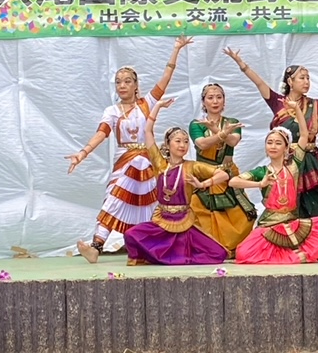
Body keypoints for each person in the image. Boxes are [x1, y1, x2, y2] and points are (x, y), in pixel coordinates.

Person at [224, 47, 318, 252]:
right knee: (291, 205)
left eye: (308, 78)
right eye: (302, 78)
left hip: (309, 161)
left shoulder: (314, 105)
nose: (306, 82)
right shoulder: (278, 102)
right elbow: (259, 82)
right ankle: (299, 246)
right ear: (290, 81)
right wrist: (241, 64)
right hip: (286, 163)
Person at [66, 35, 193, 263]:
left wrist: (176, 50)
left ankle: (154, 246)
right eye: (118, 82)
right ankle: (96, 247)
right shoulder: (112, 111)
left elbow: (166, 77)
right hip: (125, 162)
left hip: (148, 161)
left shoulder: (147, 104)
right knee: (113, 200)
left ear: (136, 85)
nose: (122, 85)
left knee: (153, 205)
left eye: (127, 81)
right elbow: (102, 133)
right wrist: (82, 153)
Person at [230, 99, 318, 264]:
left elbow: (304, 135)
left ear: (286, 148)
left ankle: (294, 256)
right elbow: (233, 182)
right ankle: (290, 257)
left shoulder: (294, 165)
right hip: (268, 225)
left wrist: (297, 110)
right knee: (242, 253)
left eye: (278, 143)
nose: (273, 146)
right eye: (269, 143)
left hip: (291, 223)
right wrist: (259, 184)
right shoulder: (262, 171)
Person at [124, 98, 229, 265]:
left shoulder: (192, 166)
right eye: (178, 141)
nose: (182, 145)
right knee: (131, 234)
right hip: (162, 220)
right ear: (168, 144)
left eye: (186, 142)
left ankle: (167, 256)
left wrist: (202, 184)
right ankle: (155, 256)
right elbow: (148, 131)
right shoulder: (160, 164)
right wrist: (158, 106)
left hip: (184, 221)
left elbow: (223, 175)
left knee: (218, 253)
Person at [188, 83, 256, 254]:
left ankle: (230, 247)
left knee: (240, 214)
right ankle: (210, 248)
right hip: (205, 173)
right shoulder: (196, 124)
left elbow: (233, 141)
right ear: (203, 102)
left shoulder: (232, 122)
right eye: (210, 97)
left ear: (224, 101)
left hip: (227, 173)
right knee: (201, 210)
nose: (215, 101)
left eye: (219, 97)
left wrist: (216, 130)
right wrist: (222, 133)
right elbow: (202, 144)